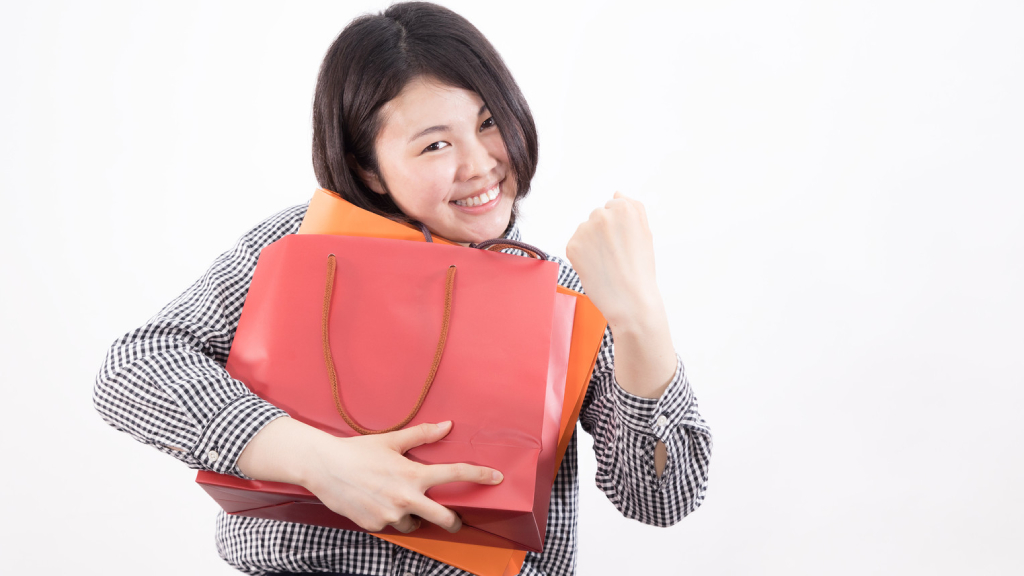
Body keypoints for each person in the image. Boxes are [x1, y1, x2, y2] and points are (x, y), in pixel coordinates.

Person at [93, 3, 712, 575]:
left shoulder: (567, 289)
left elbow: (661, 496)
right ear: (369, 167)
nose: (480, 164)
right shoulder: (306, 244)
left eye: (489, 122)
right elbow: (134, 368)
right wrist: (316, 460)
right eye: (436, 144)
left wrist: (641, 321)